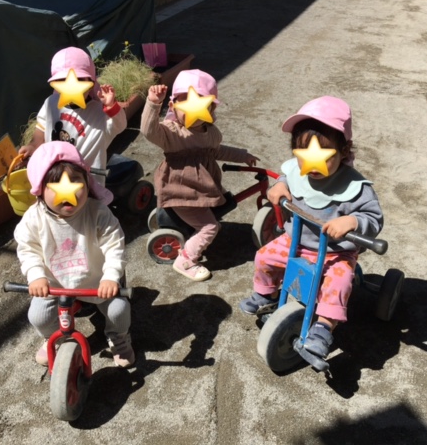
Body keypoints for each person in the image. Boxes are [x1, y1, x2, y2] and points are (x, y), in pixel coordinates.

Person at [239, 96, 383, 363]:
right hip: (295, 241)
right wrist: (280, 185)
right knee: (264, 256)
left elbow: (373, 218)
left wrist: (352, 221)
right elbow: (287, 176)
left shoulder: (355, 186)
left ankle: (324, 326)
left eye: (323, 154)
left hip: (335, 251)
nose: (312, 162)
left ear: (344, 150)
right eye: (303, 152)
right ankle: (267, 294)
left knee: (339, 281)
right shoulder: (297, 171)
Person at [14, 141, 134, 368]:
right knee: (38, 316)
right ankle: (53, 336)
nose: (67, 192)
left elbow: (114, 244)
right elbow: (27, 248)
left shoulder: (97, 212)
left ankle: (118, 336)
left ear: (87, 183)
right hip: (54, 284)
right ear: (40, 189)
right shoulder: (33, 218)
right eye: (55, 185)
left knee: (119, 310)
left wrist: (111, 276)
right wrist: (36, 276)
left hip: (96, 282)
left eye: (76, 181)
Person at [140, 69, 259, 281]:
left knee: (218, 202)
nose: (192, 109)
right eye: (185, 103)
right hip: (181, 191)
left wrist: (243, 155)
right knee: (210, 226)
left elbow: (218, 151)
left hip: (201, 187)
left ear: (211, 109)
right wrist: (153, 104)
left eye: (200, 103)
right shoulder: (172, 132)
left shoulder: (210, 133)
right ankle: (185, 260)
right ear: (172, 107)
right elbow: (149, 131)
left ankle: (186, 224)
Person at [18, 47, 127, 185]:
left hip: (88, 185)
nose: (71, 86)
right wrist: (34, 145)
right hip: (54, 178)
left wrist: (111, 106)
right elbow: (42, 127)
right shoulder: (51, 103)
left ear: (91, 83)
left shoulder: (100, 113)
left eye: (80, 79)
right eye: (62, 80)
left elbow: (120, 125)